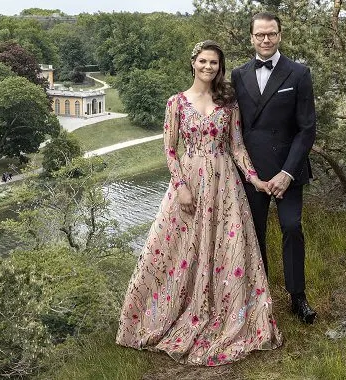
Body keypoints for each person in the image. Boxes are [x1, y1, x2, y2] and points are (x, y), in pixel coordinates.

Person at [116, 40, 283, 366]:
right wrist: (180, 186)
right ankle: (162, 314)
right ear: (193, 63)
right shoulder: (176, 103)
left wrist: (255, 179)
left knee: (226, 248)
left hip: (225, 185)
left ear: (220, 68)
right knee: (179, 252)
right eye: (204, 62)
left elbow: (236, 147)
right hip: (189, 183)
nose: (209, 68)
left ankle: (228, 313)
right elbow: (170, 149)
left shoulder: (228, 103)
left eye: (214, 64)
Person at [231, 12, 317, 324]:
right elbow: (235, 126)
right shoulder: (239, 75)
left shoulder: (298, 73)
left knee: (292, 228)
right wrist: (250, 174)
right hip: (252, 173)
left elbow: (307, 129)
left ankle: (298, 298)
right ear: (251, 37)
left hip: (288, 171)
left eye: (271, 34)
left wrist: (287, 172)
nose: (266, 40)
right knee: (254, 235)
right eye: (260, 35)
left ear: (279, 35)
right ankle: (259, 298)